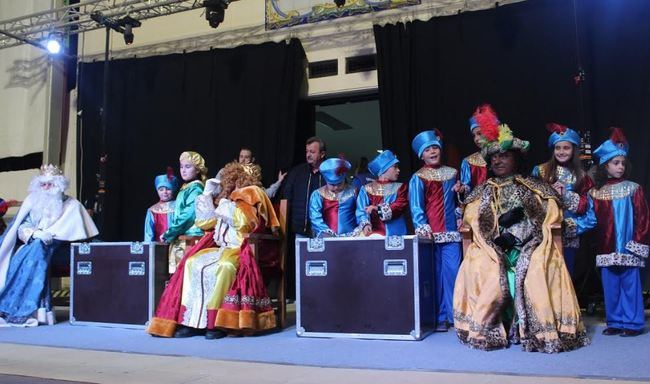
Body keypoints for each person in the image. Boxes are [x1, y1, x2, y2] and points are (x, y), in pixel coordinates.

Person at [453, 115, 589, 353]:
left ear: (515, 158)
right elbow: (473, 221)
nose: (498, 161)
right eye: (494, 157)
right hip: (491, 247)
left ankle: (531, 328)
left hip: (529, 244)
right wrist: (495, 238)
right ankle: (494, 326)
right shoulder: (482, 191)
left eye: (503, 156)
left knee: (536, 268)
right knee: (482, 265)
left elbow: (546, 217)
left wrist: (517, 234)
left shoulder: (532, 187)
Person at [147, 161, 279, 339]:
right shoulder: (225, 200)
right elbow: (205, 222)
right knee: (193, 263)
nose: (226, 183)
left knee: (224, 266)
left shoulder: (251, 194)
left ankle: (214, 322)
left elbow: (247, 223)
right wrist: (207, 195)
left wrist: (226, 205)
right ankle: (192, 322)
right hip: (222, 247)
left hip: (241, 249)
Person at [0, 165, 98, 327]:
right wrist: (34, 233)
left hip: (62, 249)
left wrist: (53, 236)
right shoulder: (33, 201)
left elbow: (76, 234)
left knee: (38, 249)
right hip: (35, 244)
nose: (46, 188)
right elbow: (21, 227)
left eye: (50, 184)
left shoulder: (72, 205)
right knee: (35, 248)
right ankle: (19, 306)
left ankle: (30, 308)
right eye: (42, 184)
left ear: (59, 185)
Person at [590, 128, 648, 337]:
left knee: (630, 286)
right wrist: (571, 224)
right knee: (610, 286)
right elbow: (590, 219)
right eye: (616, 163)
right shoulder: (595, 192)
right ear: (605, 166)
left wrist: (638, 242)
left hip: (628, 246)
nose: (620, 167)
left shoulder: (634, 188)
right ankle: (614, 321)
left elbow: (642, 217)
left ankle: (632, 323)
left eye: (623, 163)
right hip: (607, 248)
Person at [409, 129, 462, 331]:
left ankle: (456, 315)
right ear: (421, 155)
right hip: (430, 235)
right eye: (427, 149)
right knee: (434, 276)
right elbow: (416, 206)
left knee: (453, 273)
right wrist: (423, 228)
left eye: (435, 148)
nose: (432, 152)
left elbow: (458, 203)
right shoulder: (418, 177)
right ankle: (439, 317)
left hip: (451, 234)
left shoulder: (452, 173)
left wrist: (460, 211)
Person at [532, 123, 596, 276]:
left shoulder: (582, 176)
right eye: (558, 148)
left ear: (573, 149)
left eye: (566, 148)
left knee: (566, 276)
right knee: (543, 276)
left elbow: (589, 211)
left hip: (567, 234)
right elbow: (530, 202)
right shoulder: (540, 171)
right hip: (543, 233)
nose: (561, 152)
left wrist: (566, 196)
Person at [163, 151, 207, 273]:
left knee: (185, 274)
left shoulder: (196, 188)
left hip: (190, 238)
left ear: (198, 169)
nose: (183, 170)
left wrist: (170, 232)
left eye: (188, 167)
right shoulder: (187, 187)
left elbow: (189, 215)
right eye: (181, 167)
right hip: (182, 236)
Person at [357, 150, 408, 236]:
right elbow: (361, 210)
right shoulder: (366, 189)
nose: (398, 170)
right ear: (384, 170)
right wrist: (365, 224)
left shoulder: (401, 187)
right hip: (374, 235)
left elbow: (400, 205)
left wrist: (377, 208)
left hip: (396, 235)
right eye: (395, 167)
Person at [309, 158, 360, 237]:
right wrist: (326, 232)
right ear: (326, 181)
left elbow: (360, 212)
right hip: (327, 238)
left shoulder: (354, 192)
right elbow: (315, 217)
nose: (336, 187)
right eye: (332, 184)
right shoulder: (318, 194)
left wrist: (359, 229)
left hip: (351, 237)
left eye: (339, 184)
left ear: (344, 179)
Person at [457, 104, 492, 195]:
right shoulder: (469, 162)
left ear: (490, 131)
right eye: (474, 135)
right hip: (478, 205)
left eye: (480, 133)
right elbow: (467, 187)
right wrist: (462, 189)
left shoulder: (502, 156)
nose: (476, 138)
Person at [144, 168, 179, 243]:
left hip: (177, 247)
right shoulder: (152, 210)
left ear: (173, 189)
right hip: (159, 248)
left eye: (168, 189)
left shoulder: (179, 206)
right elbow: (148, 235)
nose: (165, 192)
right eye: (161, 189)